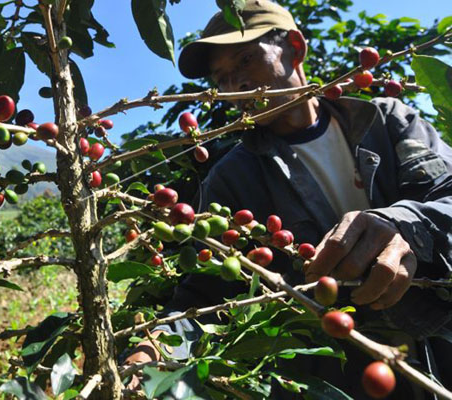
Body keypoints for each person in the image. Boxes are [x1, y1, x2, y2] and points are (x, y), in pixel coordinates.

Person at [123, 1, 452, 398]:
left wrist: (403, 226)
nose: (235, 86)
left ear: (295, 49)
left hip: (441, 351)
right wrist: (150, 351)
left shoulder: (388, 122)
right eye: (221, 79)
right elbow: (204, 297)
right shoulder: (232, 179)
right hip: (341, 380)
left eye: (245, 60)